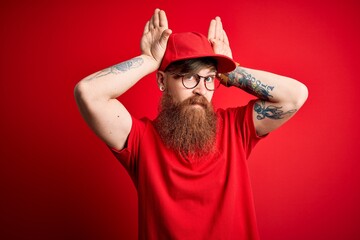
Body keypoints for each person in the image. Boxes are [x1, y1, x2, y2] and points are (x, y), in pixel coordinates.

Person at [74, 8, 308, 240]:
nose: (200, 89)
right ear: (162, 81)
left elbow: (295, 96)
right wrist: (150, 61)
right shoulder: (140, 140)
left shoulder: (236, 128)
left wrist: (230, 72)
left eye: (208, 78)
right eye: (189, 77)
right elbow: (88, 92)